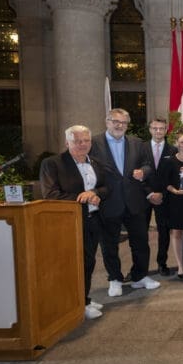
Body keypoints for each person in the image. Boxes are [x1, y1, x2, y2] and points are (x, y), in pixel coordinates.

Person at [40, 125, 110, 320]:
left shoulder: (95, 162)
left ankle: (83, 298)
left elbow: (105, 187)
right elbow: (51, 194)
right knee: (72, 264)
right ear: (67, 143)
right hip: (67, 224)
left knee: (88, 262)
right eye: (77, 141)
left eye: (86, 140)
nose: (82, 144)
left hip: (93, 220)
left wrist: (95, 193)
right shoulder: (52, 164)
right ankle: (75, 304)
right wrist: (85, 197)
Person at [90, 108, 160, 296]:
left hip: (134, 201)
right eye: (115, 121)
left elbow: (148, 165)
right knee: (109, 244)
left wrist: (143, 172)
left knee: (141, 242)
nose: (119, 125)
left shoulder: (137, 143)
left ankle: (139, 276)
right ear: (107, 121)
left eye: (123, 122)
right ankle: (115, 279)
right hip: (108, 202)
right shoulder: (94, 143)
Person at [144, 117, 176, 276]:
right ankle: (140, 266)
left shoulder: (173, 151)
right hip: (144, 196)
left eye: (161, 128)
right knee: (141, 233)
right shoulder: (140, 149)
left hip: (165, 197)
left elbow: (174, 177)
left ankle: (162, 262)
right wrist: (149, 193)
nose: (158, 131)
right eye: (155, 128)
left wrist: (162, 193)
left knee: (164, 232)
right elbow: (135, 173)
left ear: (166, 130)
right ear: (150, 129)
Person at [163, 131, 183, 278]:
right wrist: (175, 191)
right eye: (182, 142)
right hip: (175, 201)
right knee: (176, 233)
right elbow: (165, 183)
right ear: (177, 143)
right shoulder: (170, 161)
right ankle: (180, 266)